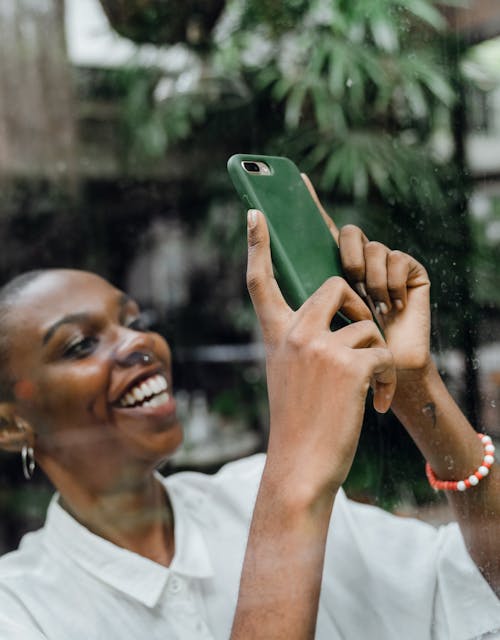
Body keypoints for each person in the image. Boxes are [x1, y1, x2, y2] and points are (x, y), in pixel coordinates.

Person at [0, 186, 498, 640]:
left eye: (136, 321)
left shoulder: (250, 493)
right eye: (81, 344)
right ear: (9, 423)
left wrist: (415, 384)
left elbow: (482, 585)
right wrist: (297, 472)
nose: (139, 342)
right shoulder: (20, 610)